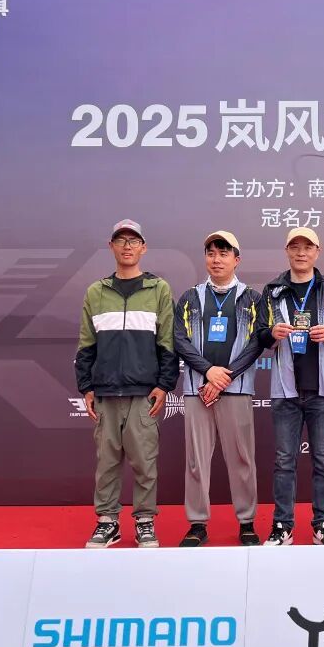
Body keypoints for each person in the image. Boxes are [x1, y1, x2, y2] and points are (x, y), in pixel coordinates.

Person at [236, 227, 324, 546]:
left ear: (317, 251)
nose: (301, 252)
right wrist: (272, 333)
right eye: (295, 247)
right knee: (284, 461)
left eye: (307, 247)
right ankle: (282, 525)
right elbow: (258, 334)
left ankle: (323, 523)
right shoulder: (273, 290)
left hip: (323, 389)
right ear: (286, 251)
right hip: (285, 389)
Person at [74, 219, 178, 549]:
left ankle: (144, 521)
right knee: (106, 462)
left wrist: (164, 384)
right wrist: (86, 386)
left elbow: (167, 341)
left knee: (145, 462)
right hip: (105, 391)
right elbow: (86, 343)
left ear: (143, 248)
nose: (127, 246)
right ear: (112, 246)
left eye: (134, 241)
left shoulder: (158, 289)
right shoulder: (96, 291)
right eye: (121, 240)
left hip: (143, 392)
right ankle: (107, 522)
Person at [173, 230, 265, 547]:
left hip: (236, 388)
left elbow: (257, 342)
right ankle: (197, 523)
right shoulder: (190, 297)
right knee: (196, 459)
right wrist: (208, 372)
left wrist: (226, 376)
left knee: (242, 458)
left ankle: (247, 522)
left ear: (236, 259)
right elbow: (179, 340)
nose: (216, 259)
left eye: (224, 253)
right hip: (198, 388)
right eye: (211, 253)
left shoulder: (252, 298)